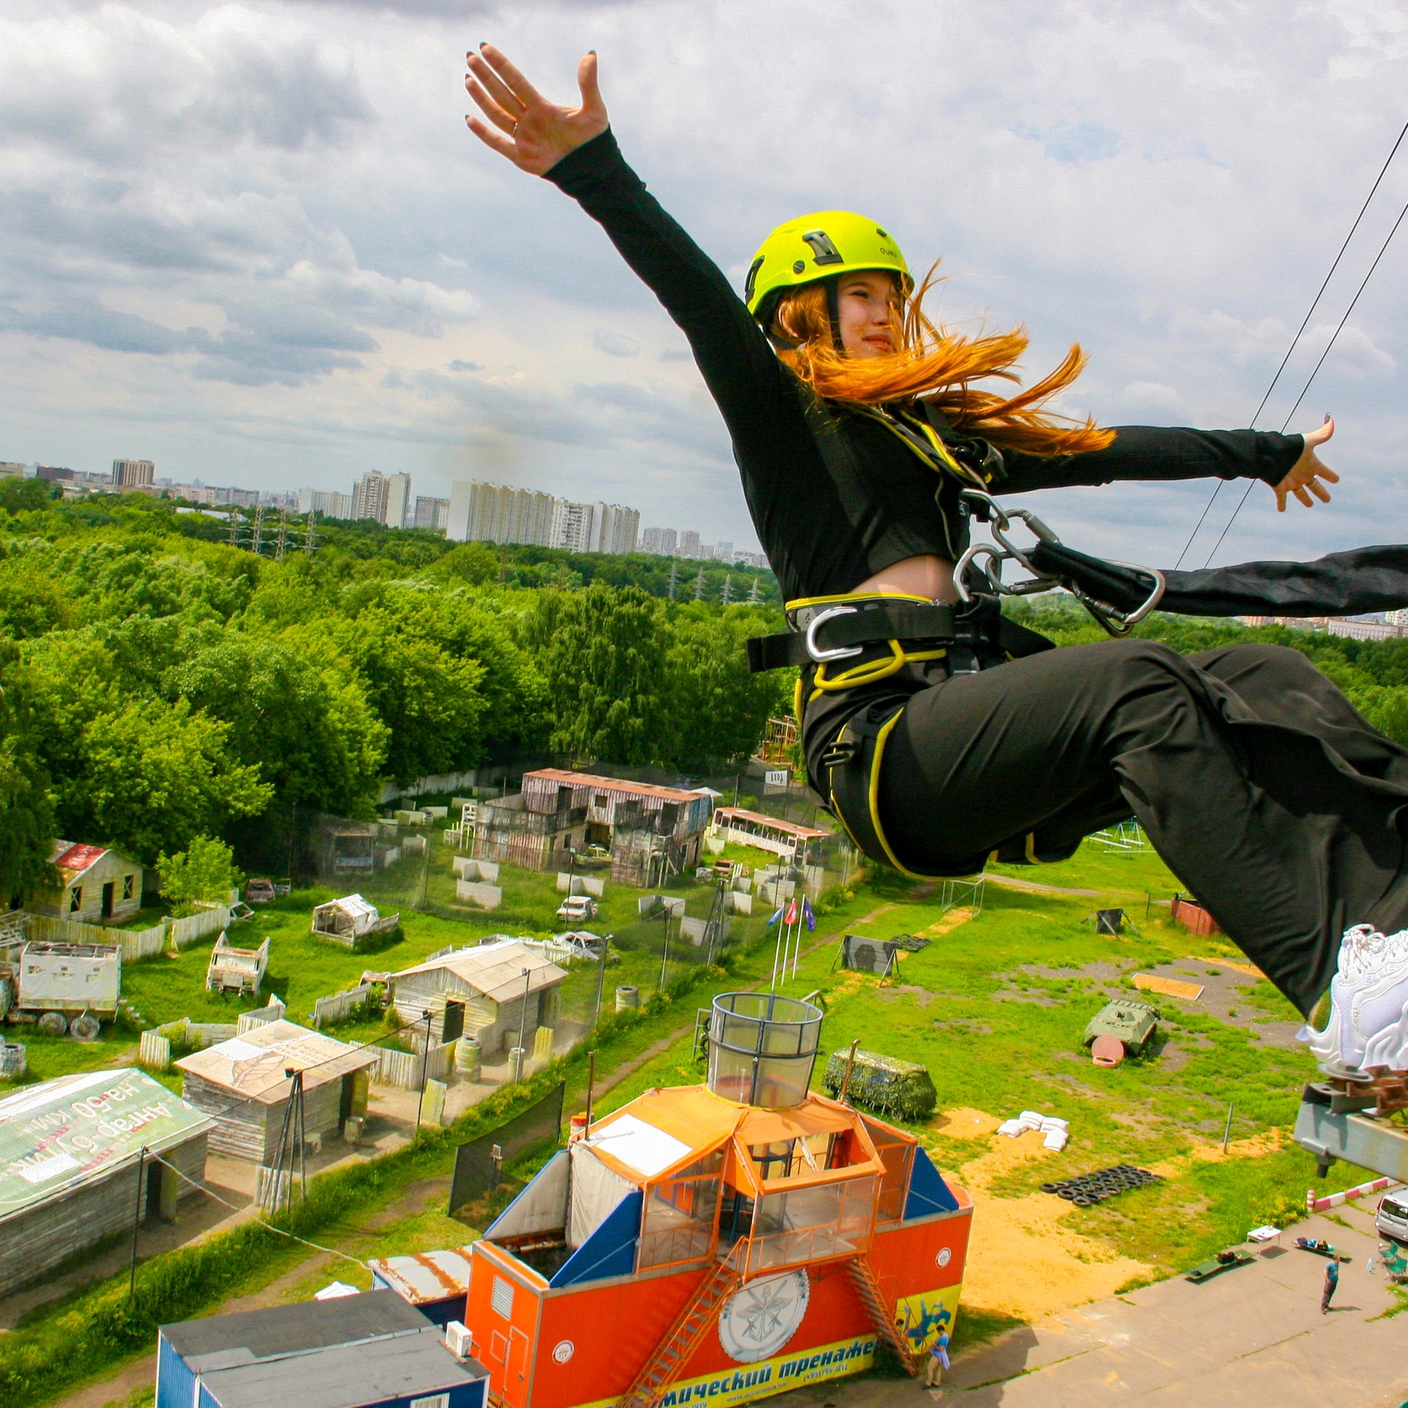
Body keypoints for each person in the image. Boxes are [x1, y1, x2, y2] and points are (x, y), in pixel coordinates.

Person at [462, 44, 1408, 1087]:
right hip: (880, 752)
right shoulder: (784, 413)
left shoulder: (937, 442)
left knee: (1258, 677)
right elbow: (694, 298)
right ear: (793, 315)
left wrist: (1266, 454)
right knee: (1139, 685)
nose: (881, 312)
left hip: (969, 729)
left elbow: (1103, 451)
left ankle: (1395, 925)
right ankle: (1340, 997)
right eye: (854, 294)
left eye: (888, 295)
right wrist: (593, 167)